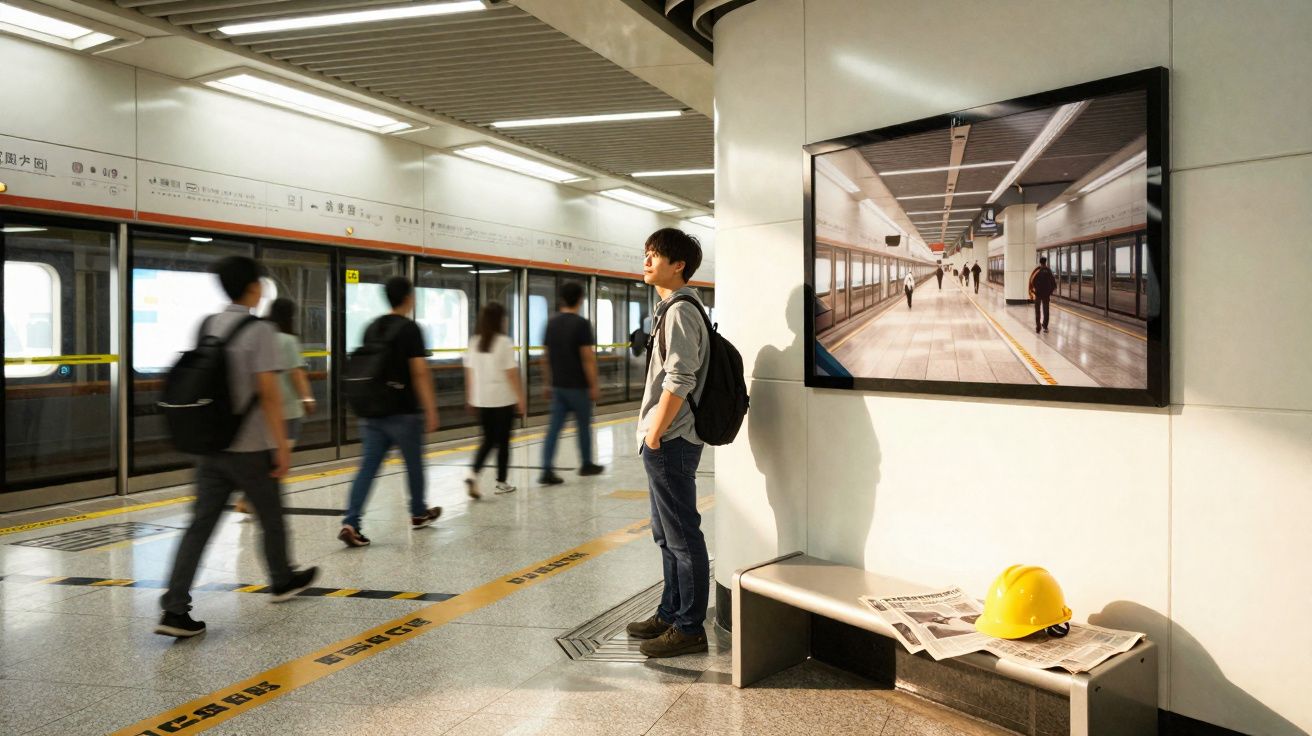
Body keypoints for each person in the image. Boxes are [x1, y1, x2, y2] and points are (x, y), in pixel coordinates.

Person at [156, 256, 316, 638]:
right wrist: (281, 446)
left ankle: (174, 609)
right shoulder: (260, 331)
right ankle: (281, 579)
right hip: (250, 447)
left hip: (210, 446)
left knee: (199, 527)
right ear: (253, 287)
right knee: (272, 517)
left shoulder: (208, 324)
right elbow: (270, 394)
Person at [625, 228, 712, 658]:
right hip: (666, 439)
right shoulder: (672, 307)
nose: (646, 261)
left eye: (654, 255)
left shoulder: (680, 311)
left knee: (682, 536)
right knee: (666, 534)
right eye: (646, 254)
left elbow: (681, 377)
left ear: (677, 265)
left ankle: (690, 627)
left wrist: (656, 433)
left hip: (672, 440)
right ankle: (671, 611)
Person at [338, 276, 442, 548]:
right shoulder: (410, 329)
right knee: (414, 465)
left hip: (372, 412)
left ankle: (351, 521)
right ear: (408, 298)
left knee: (368, 468)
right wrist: (430, 408)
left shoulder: (372, 327)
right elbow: (419, 372)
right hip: (404, 412)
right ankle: (418, 512)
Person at [234, 298, 315, 518]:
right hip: (287, 409)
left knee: (266, 456)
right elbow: (297, 375)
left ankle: (247, 497)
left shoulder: (262, 335)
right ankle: (251, 500)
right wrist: (307, 398)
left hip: (263, 410)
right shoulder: (288, 341)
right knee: (279, 458)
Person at [539, 281, 604, 485]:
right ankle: (586, 464)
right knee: (583, 426)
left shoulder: (551, 323)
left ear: (561, 299)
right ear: (580, 300)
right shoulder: (581, 324)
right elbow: (587, 357)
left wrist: (547, 382)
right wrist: (594, 384)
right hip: (577, 386)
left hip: (558, 386)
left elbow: (545, 356)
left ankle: (546, 469)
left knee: (554, 429)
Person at [463, 301, 526, 497]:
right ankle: (501, 482)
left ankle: (473, 474)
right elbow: (512, 374)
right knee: (504, 442)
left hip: (482, 400)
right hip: (503, 401)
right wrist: (521, 397)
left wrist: (470, 397)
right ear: (499, 320)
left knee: (488, 440)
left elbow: (469, 372)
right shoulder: (504, 342)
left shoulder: (474, 342)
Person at [1028, 256, 1058, 334]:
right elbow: (1054, 284)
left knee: (1037, 311)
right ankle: (1045, 326)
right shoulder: (1049, 271)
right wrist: (1049, 292)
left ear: (1040, 262)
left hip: (1038, 294)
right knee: (1046, 310)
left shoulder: (1037, 271)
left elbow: (1032, 281)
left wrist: (1034, 291)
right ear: (1045, 262)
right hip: (1046, 295)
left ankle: (1038, 327)